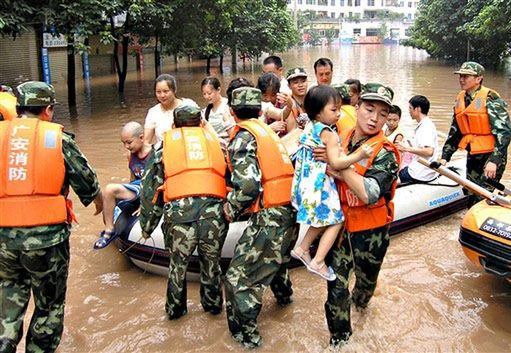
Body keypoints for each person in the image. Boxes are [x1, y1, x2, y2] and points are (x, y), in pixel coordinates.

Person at [0, 81, 102, 352]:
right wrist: (99, 202)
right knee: (49, 306)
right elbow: (88, 184)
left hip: (3, 240)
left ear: (18, 108)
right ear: (48, 110)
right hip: (46, 241)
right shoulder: (57, 139)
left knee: (8, 297)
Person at [319, 83, 399, 347]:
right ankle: (340, 340)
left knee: (364, 287)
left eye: (383, 113)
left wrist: (339, 168)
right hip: (340, 228)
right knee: (336, 287)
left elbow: (369, 193)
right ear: (356, 107)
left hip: (370, 233)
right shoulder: (340, 137)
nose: (375, 118)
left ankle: (363, 310)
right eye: (369, 109)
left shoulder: (385, 152)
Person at [223, 86, 298, 348]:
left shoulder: (243, 138)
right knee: (277, 263)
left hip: (271, 216)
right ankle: (287, 304)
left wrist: (230, 208)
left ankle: (249, 341)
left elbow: (248, 187)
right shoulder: (268, 132)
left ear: (232, 112)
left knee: (237, 280)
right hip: (289, 211)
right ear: (259, 110)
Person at [139, 103, 228, 320]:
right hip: (213, 216)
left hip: (179, 218)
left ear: (173, 125)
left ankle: (176, 313)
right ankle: (214, 309)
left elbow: (150, 190)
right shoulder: (217, 144)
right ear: (200, 123)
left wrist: (147, 227)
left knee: (177, 266)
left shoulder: (163, 147)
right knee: (212, 263)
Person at [290, 85, 372, 281]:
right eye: (334, 110)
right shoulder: (329, 133)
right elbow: (336, 163)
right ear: (318, 112)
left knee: (322, 219)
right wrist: (359, 154)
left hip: (305, 185)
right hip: (320, 186)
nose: (339, 114)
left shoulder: (309, 127)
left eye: (339, 109)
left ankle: (302, 248)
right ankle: (318, 261)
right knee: (336, 220)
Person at [440, 61, 511, 206]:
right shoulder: (461, 99)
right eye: (461, 76)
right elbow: (456, 132)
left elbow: (504, 132)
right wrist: (445, 157)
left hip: (491, 155)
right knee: (471, 193)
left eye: (466, 76)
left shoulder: (491, 99)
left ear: (478, 79)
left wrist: (494, 161)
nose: (462, 79)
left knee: (483, 195)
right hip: (474, 154)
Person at [93, 121, 152, 249]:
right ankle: (109, 227)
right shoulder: (130, 154)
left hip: (149, 188)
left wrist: (145, 205)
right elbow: (132, 176)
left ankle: (109, 230)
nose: (126, 146)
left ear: (141, 138)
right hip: (137, 187)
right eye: (123, 143)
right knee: (107, 196)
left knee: (109, 189)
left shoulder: (154, 154)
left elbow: (158, 182)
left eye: (129, 142)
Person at [144, 74, 196, 145]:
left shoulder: (188, 105)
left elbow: (203, 126)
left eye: (166, 91)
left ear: (174, 90)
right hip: (165, 152)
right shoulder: (153, 112)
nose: (162, 95)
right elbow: (146, 142)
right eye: (158, 92)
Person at [398, 95, 438, 183]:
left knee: (395, 173)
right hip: (421, 170)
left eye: (410, 108)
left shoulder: (426, 127)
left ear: (417, 109)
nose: (409, 111)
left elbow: (429, 151)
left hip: (421, 173)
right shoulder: (424, 125)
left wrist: (406, 148)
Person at [200, 76, 234, 143]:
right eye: (204, 94)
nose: (207, 97)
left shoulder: (228, 106)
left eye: (209, 93)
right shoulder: (205, 112)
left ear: (218, 90)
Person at [283, 67, 309, 133]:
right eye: (296, 82)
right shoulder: (289, 105)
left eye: (303, 81)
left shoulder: (313, 99)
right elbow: (292, 133)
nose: (300, 85)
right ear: (289, 85)